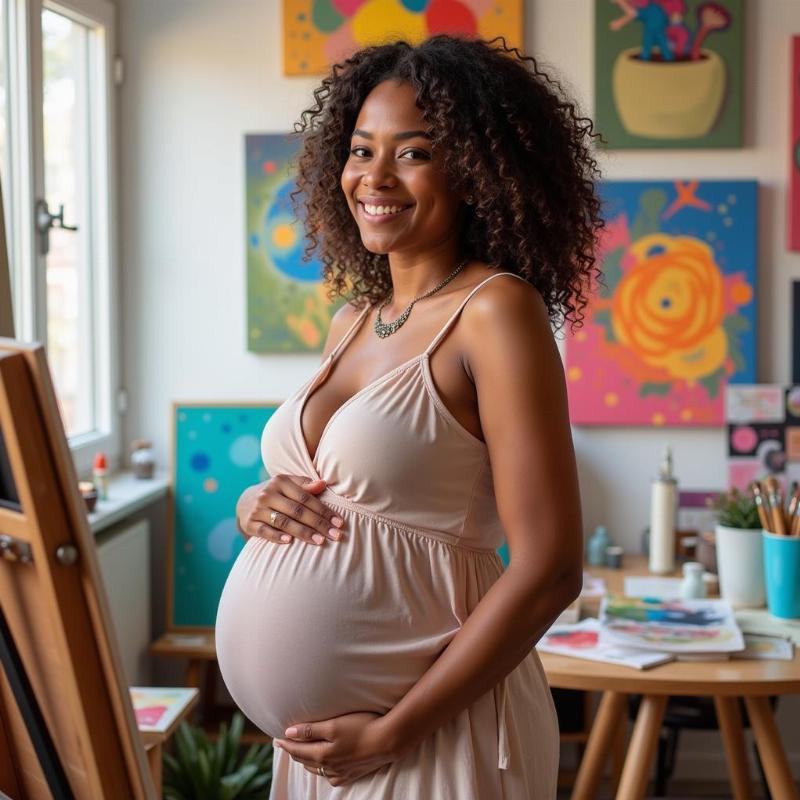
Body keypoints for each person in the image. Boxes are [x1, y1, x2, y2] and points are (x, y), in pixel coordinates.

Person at [215, 34, 602, 798]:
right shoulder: (356, 318)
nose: (374, 177)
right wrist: (254, 502)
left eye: (414, 153)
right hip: (321, 751)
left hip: (428, 733)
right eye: (361, 150)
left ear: (475, 172)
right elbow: (331, 490)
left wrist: (394, 730)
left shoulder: (497, 313)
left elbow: (550, 568)